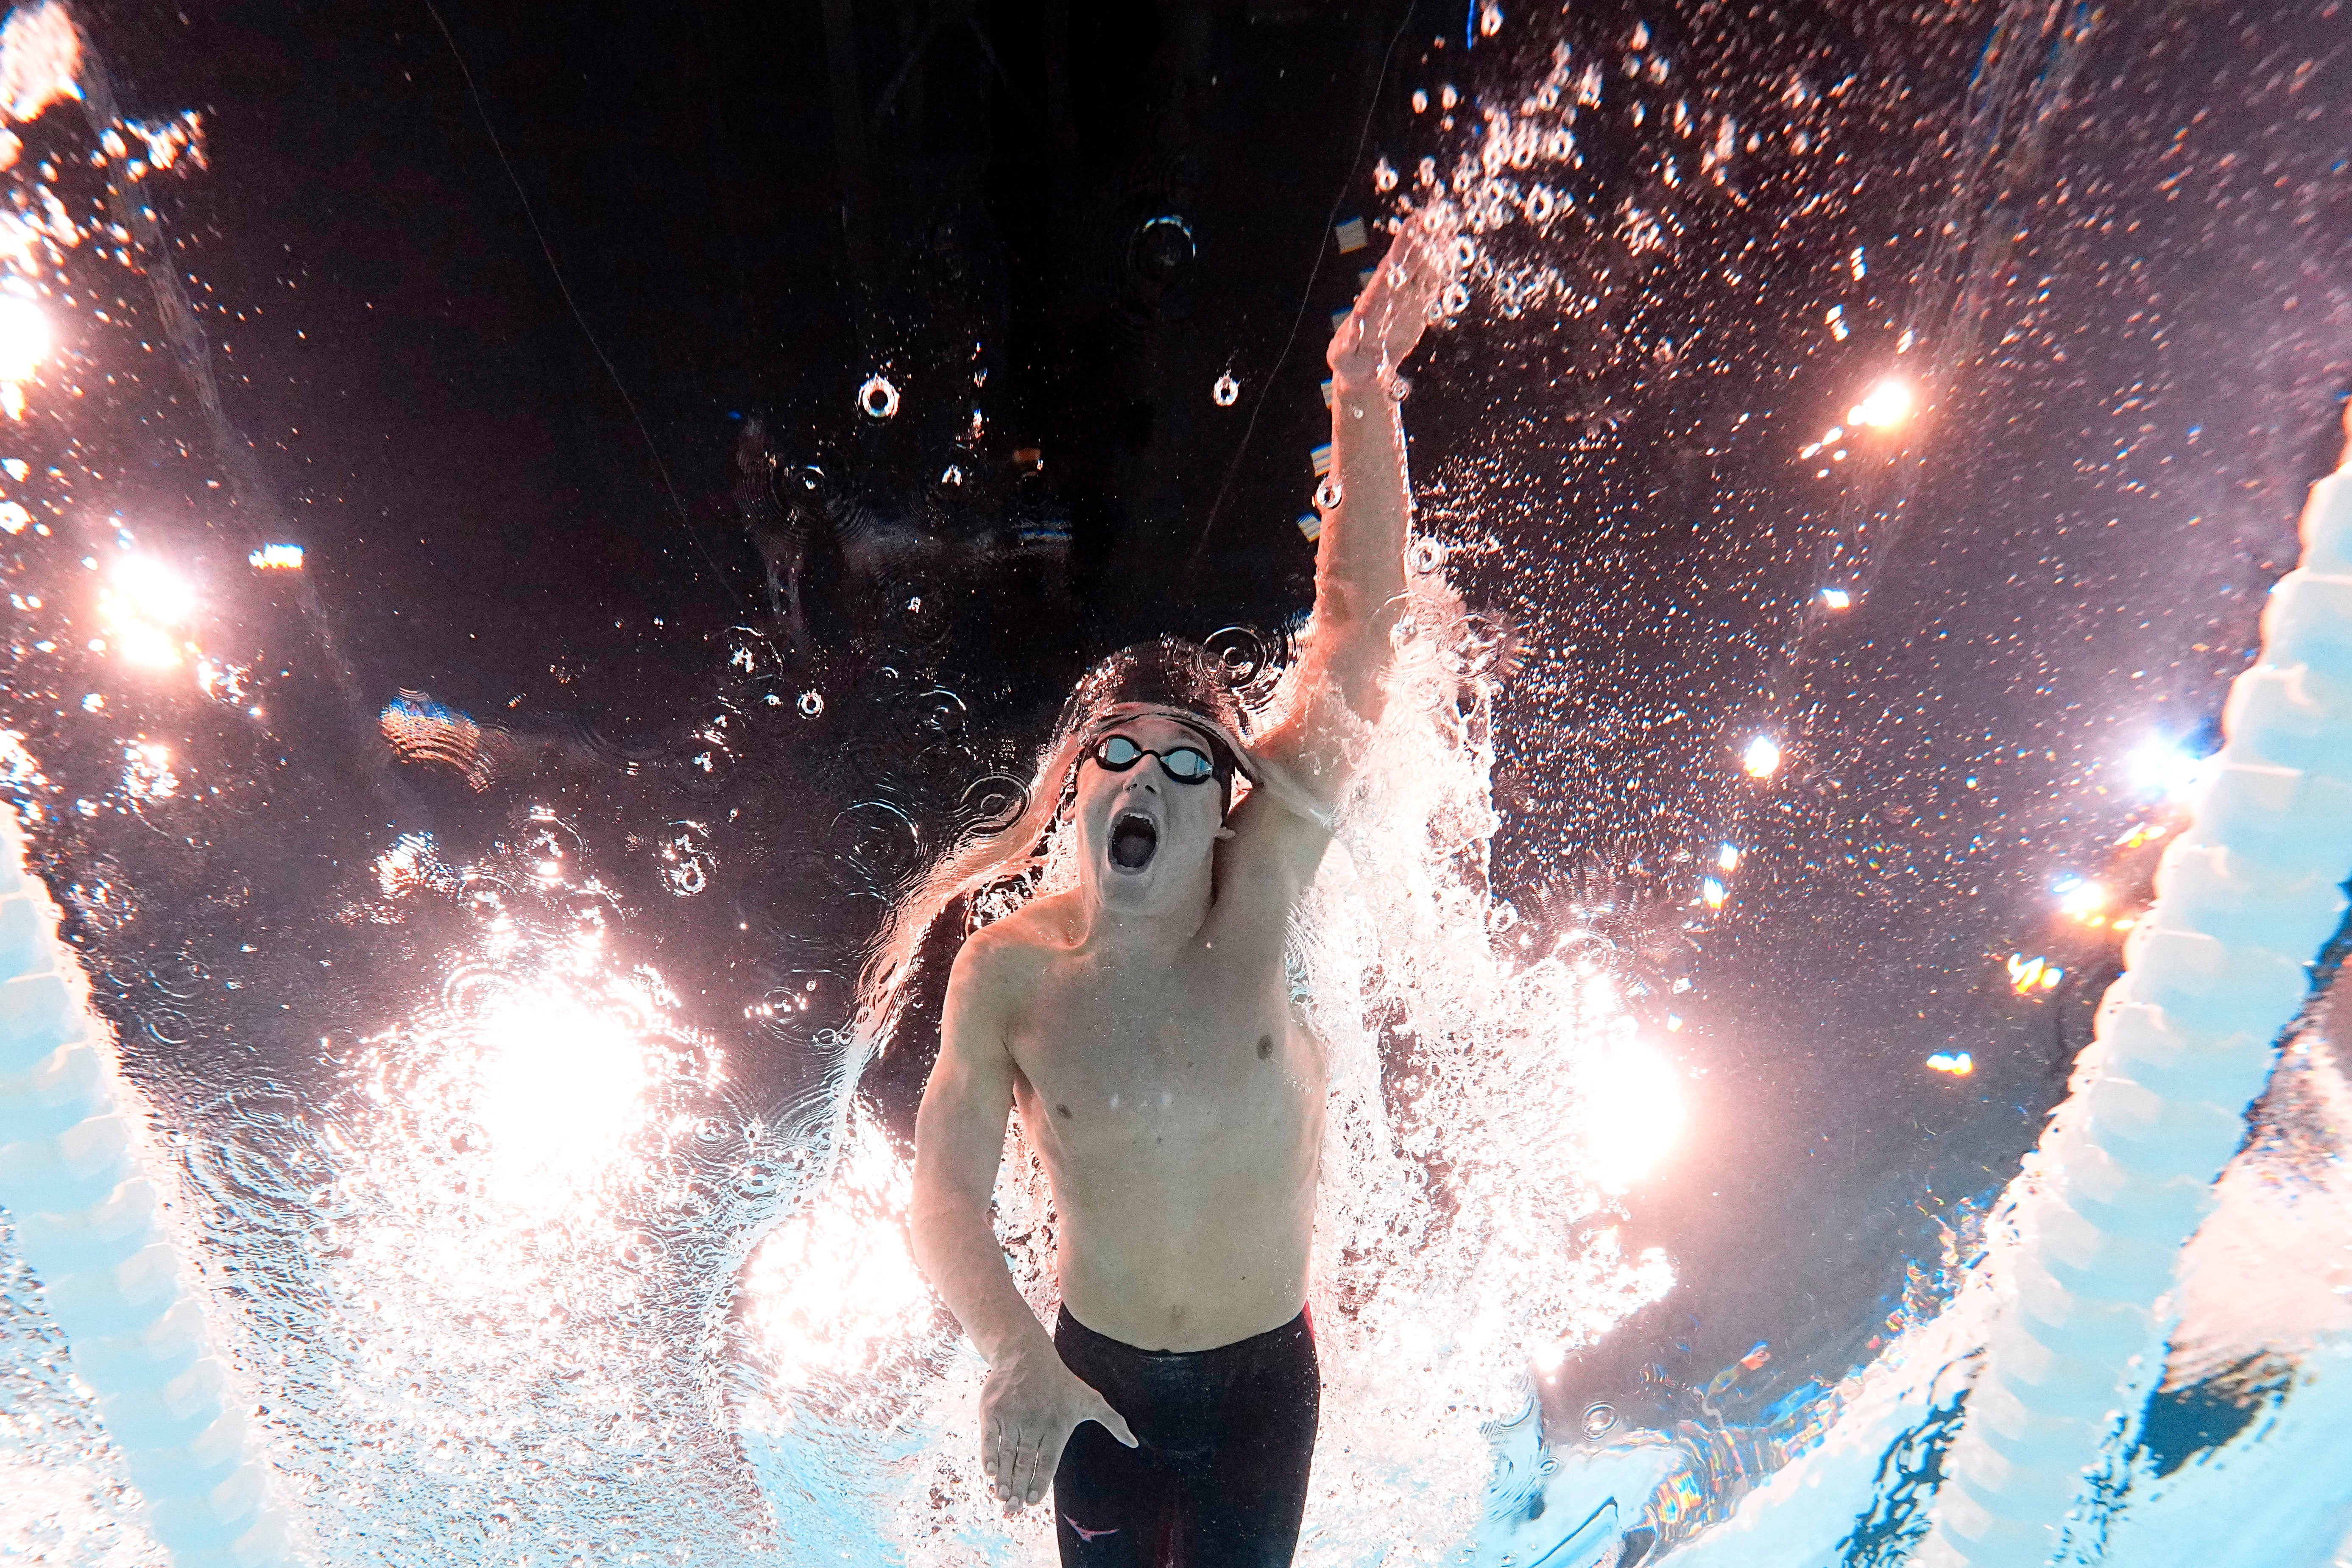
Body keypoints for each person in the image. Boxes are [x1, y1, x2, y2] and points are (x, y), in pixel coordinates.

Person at [892, 209, 1453, 1566]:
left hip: (1268, 1384)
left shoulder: (1254, 896)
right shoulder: (1010, 971)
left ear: (1223, 812)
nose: (1143, 778)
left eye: (1184, 763)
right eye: (1114, 755)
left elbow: (1355, 640)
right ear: (1076, 794)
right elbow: (943, 1197)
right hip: (1097, 1380)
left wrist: (1362, 383)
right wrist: (1019, 1358)